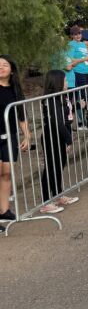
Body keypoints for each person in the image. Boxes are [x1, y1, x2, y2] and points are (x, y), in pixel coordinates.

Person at [39, 70, 79, 214]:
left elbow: (66, 116)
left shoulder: (62, 97)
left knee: (59, 166)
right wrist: (68, 139)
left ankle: (58, 195)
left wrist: (78, 105)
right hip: (52, 137)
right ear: (57, 82)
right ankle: (45, 203)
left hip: (61, 135)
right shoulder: (50, 100)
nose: (67, 82)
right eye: (65, 80)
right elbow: (57, 121)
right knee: (51, 168)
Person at [0, 55, 30, 224]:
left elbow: (21, 115)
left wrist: (27, 135)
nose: (1, 67)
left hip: (10, 137)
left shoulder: (15, 90)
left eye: (5, 65)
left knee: (6, 174)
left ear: (12, 70)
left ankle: (4, 211)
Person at [68, 25, 88, 130]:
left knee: (87, 98)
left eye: (79, 33)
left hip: (87, 72)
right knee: (80, 98)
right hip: (78, 73)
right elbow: (71, 59)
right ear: (71, 36)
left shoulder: (83, 44)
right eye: (75, 34)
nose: (78, 36)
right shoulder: (71, 44)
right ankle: (80, 123)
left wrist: (87, 59)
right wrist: (84, 59)